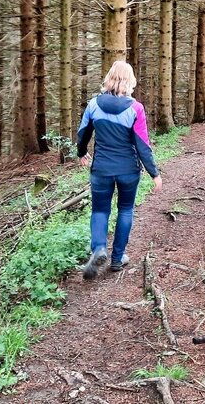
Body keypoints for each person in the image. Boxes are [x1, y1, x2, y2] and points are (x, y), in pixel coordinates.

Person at [77, 61, 162, 279]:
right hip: (128, 170)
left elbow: (83, 133)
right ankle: (117, 258)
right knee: (125, 209)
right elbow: (143, 144)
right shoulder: (136, 108)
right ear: (129, 81)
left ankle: (98, 249)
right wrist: (154, 172)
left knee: (99, 210)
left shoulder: (94, 104)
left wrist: (81, 153)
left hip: (101, 169)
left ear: (109, 78)